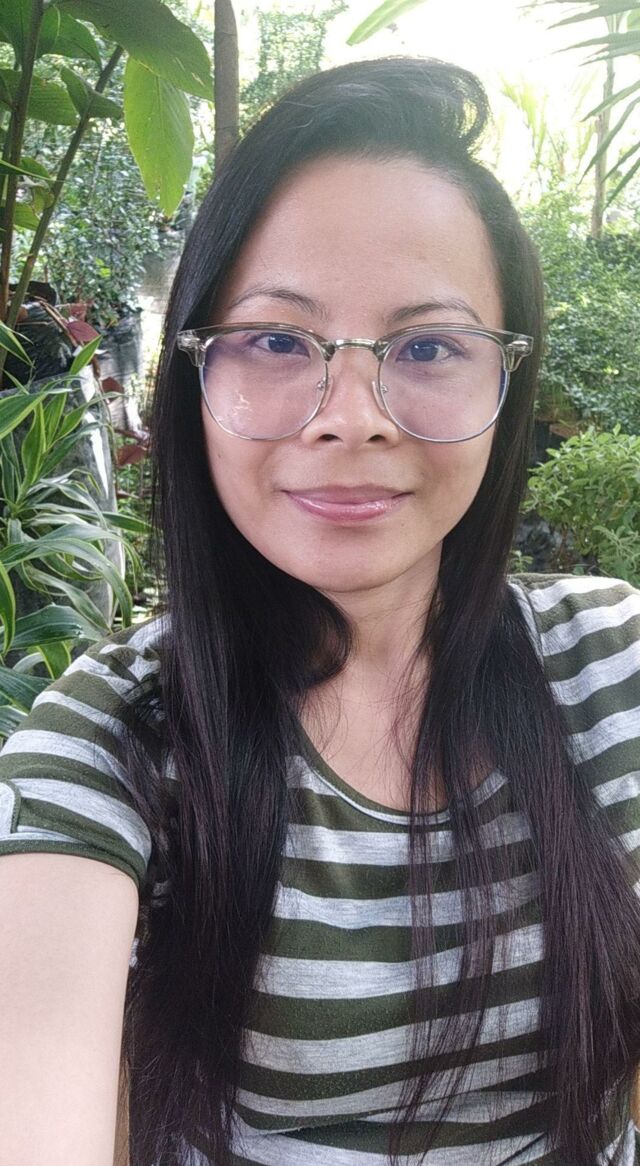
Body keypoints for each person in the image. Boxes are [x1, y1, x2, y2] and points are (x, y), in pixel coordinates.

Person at [1, 56, 639, 1166]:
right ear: (194, 375)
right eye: (277, 341)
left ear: (508, 383)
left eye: (428, 347)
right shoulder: (111, 743)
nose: (352, 416)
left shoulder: (607, 662)